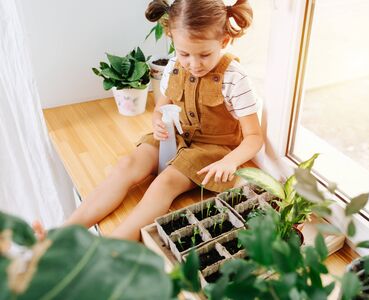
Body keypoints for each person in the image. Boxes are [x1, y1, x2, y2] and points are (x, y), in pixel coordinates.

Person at [34, 0, 263, 241]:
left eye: (204, 54)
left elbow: (254, 137)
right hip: (173, 135)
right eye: (184, 53)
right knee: (126, 166)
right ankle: (60, 235)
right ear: (172, 38)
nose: (194, 64)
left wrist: (229, 162)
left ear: (223, 42)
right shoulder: (174, 66)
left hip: (210, 150)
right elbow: (162, 107)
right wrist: (157, 121)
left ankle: (110, 247)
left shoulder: (235, 78)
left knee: (164, 184)